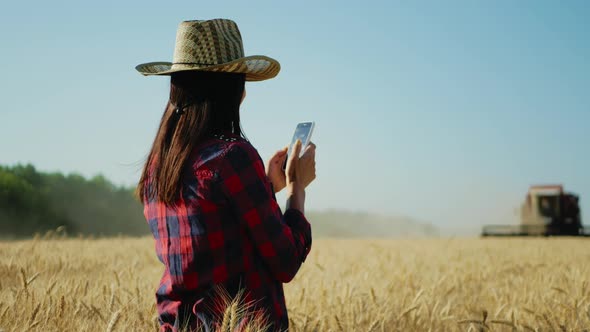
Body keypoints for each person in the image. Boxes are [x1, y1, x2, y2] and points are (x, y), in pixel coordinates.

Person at [135, 19, 316, 331]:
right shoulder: (234, 156)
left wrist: (266, 186)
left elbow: (210, 221)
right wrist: (296, 191)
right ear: (233, 90)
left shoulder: (158, 166)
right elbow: (285, 259)